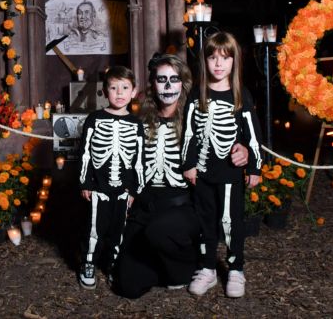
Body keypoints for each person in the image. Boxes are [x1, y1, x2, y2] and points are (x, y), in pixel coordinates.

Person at [112, 53, 251, 299]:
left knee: (159, 231)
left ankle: (187, 266)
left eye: (174, 79)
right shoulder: (139, 123)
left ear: (183, 83)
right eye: (161, 79)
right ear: (152, 84)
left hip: (184, 207)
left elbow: (232, 135)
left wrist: (243, 148)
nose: (167, 86)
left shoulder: (196, 118)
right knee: (127, 286)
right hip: (146, 208)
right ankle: (160, 262)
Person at [181, 32, 263, 299]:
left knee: (230, 221)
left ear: (234, 62)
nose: (218, 64)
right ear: (204, 61)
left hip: (230, 173)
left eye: (225, 59)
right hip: (203, 173)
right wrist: (188, 164)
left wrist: (254, 166)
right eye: (213, 58)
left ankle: (236, 268)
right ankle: (207, 269)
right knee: (205, 221)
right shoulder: (196, 95)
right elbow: (189, 134)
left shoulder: (241, 95)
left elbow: (252, 135)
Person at [77, 66, 144, 290]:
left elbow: (139, 159)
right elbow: (85, 152)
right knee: (94, 229)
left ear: (133, 92)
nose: (119, 93)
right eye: (113, 87)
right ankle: (88, 263)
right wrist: (85, 182)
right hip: (99, 189)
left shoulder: (136, 124)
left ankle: (113, 264)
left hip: (124, 191)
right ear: (105, 91)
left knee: (119, 230)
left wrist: (135, 189)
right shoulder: (94, 119)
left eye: (125, 87)